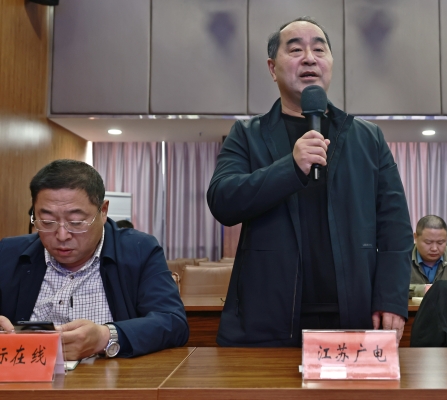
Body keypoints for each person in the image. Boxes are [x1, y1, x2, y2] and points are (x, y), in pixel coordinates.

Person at [207, 17, 413, 347]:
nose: (309, 58)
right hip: (267, 320)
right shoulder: (247, 134)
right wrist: (290, 167)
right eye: (295, 50)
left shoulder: (367, 137)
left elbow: (395, 227)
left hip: (354, 315)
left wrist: (391, 297)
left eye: (319, 49)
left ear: (330, 62)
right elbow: (222, 200)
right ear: (272, 68)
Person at [0, 159, 189, 360]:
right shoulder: (7, 252)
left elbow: (173, 323)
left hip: (111, 377)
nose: (62, 235)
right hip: (27, 375)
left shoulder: (139, 250)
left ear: (103, 211)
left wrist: (105, 337)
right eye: (47, 221)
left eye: (76, 222)